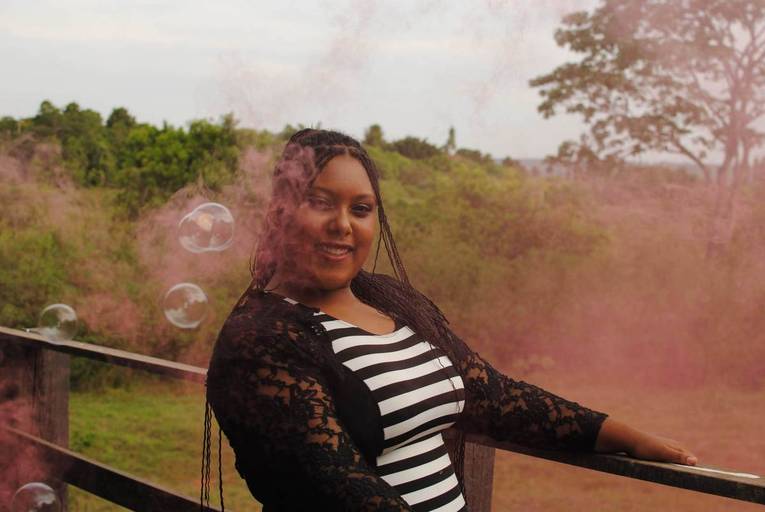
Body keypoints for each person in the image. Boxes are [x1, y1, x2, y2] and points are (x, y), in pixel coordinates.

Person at [203, 129, 697, 511]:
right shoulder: (259, 339)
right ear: (281, 212)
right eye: (320, 202)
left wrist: (621, 434)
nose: (343, 225)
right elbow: (336, 487)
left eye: (361, 208)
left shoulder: (391, 299)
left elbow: (492, 395)